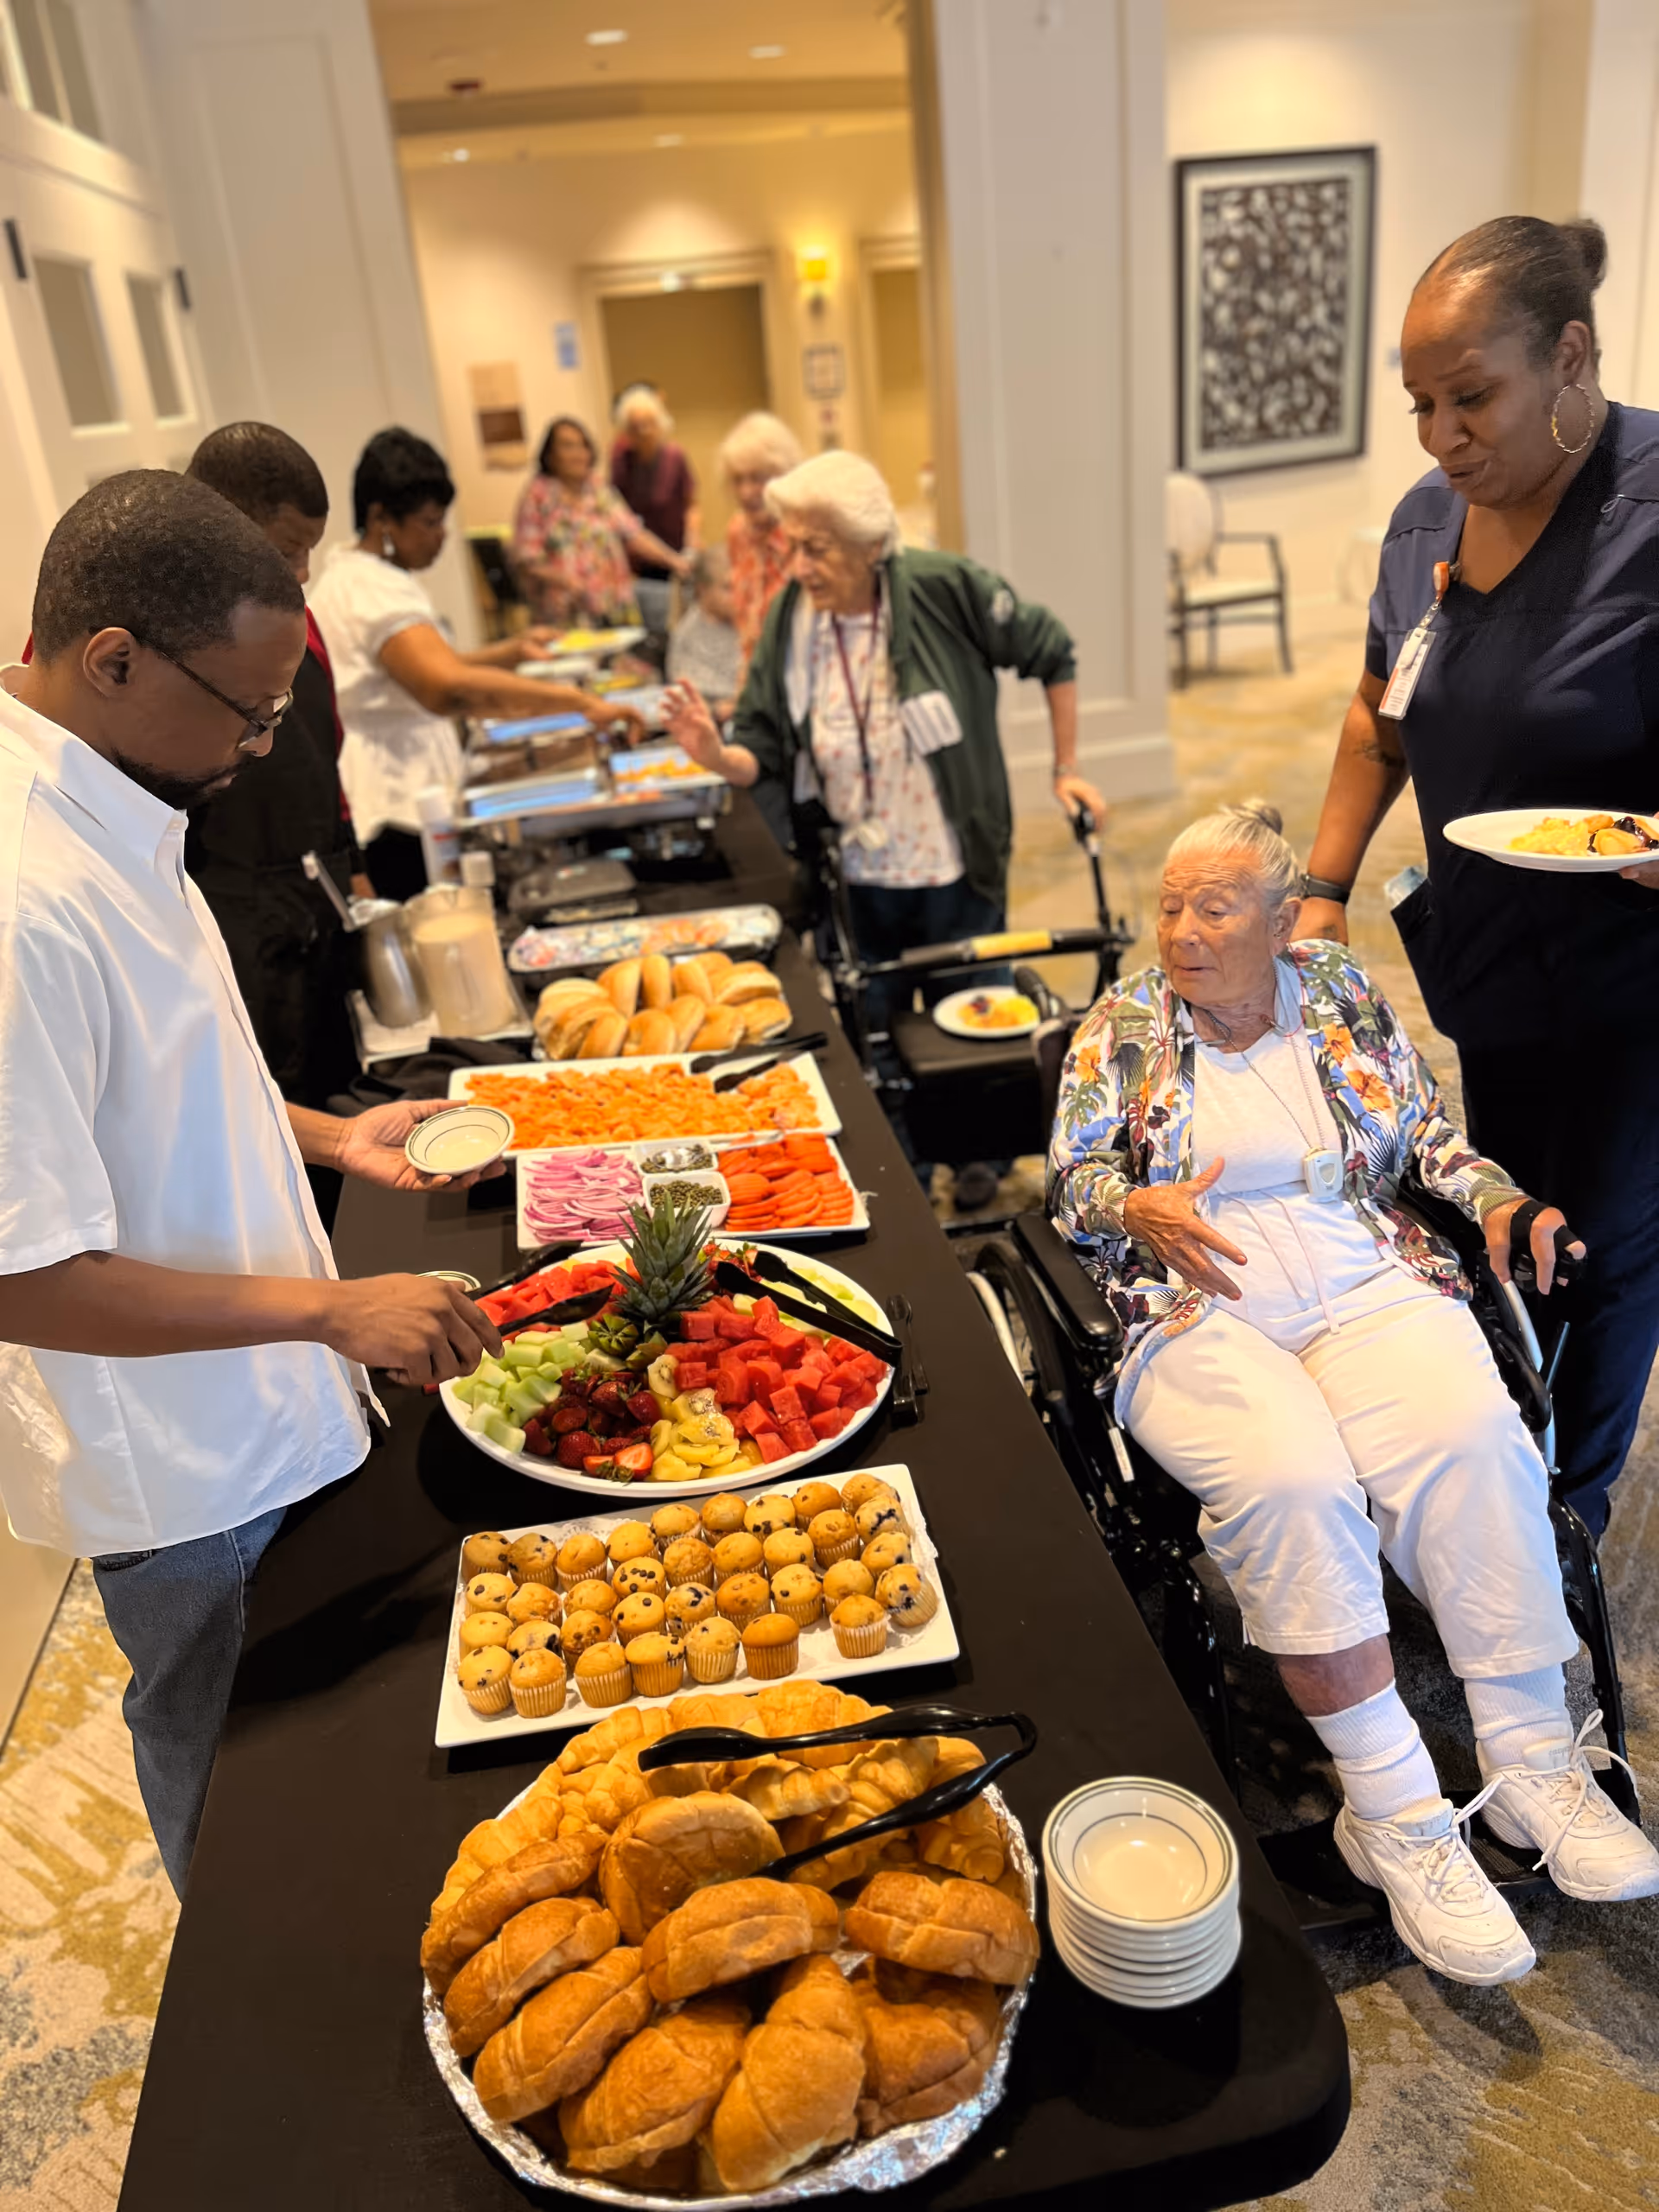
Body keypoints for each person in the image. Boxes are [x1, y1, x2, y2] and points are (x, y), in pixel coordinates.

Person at [0, 471, 508, 1893]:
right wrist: (329, 1314)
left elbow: (167, 1075)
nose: (266, 739)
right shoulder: (21, 894)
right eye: (247, 707)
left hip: (261, 1389)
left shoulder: (111, 789)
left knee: (319, 1757)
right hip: (185, 1456)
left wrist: (331, 1138)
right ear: (111, 661)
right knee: (234, 1770)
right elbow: (22, 1273)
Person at [1050, 800, 1659, 1985]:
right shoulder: (1121, 1024)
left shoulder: (1334, 990)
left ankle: (1534, 1760)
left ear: (1282, 920)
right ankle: (1392, 1813)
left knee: (1478, 1434)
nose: (1180, 929)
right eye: (1170, 905)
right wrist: (1135, 1207)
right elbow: (1072, 1184)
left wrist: (1499, 1204)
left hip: (1359, 1262)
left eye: (1213, 906)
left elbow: (1428, 1137)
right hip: (1195, 1295)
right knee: (1295, 1483)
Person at [1297, 215, 1659, 1539]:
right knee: (1507, 1225)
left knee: (1613, 1250)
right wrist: (1322, 885)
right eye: (1421, 405)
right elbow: (1376, 717)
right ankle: (1502, 1460)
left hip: (1637, 977)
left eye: (1471, 398)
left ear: (1571, 358)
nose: (1443, 435)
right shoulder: (1422, 525)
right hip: (1495, 956)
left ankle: (1567, 1513)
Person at [663, 448, 1106, 1211]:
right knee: (882, 1026)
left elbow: (1051, 649)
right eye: (790, 545)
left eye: (815, 547)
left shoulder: (942, 587)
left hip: (952, 859)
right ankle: (906, 1163)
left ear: (872, 545)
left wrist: (1065, 767)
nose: (796, 564)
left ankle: (984, 1159)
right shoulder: (791, 622)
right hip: (858, 873)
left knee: (975, 1012)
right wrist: (716, 754)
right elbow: (761, 745)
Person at [311, 427, 641, 900]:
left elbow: (416, 671)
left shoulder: (360, 576)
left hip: (398, 797)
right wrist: (579, 704)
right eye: (429, 522)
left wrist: (509, 652)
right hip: (395, 806)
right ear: (381, 517)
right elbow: (448, 688)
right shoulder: (371, 588)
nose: (442, 537)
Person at [181, 423, 364, 1148]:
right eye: (290, 549)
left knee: (337, 1113)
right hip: (234, 924)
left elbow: (326, 751)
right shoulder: (156, 634)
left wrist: (355, 864)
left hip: (314, 901)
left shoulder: (297, 624)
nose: (305, 571)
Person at [512, 416, 688, 634]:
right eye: (568, 446)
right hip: (566, 615)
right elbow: (527, 560)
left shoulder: (598, 489)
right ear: (550, 456)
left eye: (583, 445)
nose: (578, 454)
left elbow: (633, 534)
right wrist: (565, 580)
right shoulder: (537, 496)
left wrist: (674, 560)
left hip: (614, 608)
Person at [610, 385, 698, 640]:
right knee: (652, 630)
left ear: (660, 424)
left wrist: (691, 544)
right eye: (635, 427)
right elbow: (623, 522)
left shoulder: (675, 457)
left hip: (679, 553)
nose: (644, 432)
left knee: (682, 624)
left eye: (649, 424)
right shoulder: (621, 462)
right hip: (642, 561)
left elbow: (692, 504)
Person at [720, 410, 803, 677]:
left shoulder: (804, 534)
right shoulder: (737, 531)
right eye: (737, 480)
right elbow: (746, 621)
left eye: (757, 478)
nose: (746, 492)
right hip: (758, 675)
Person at [666, 546, 741, 724]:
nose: (738, 595)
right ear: (703, 590)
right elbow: (691, 693)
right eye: (728, 588)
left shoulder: (749, 625)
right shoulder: (688, 633)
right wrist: (721, 709)